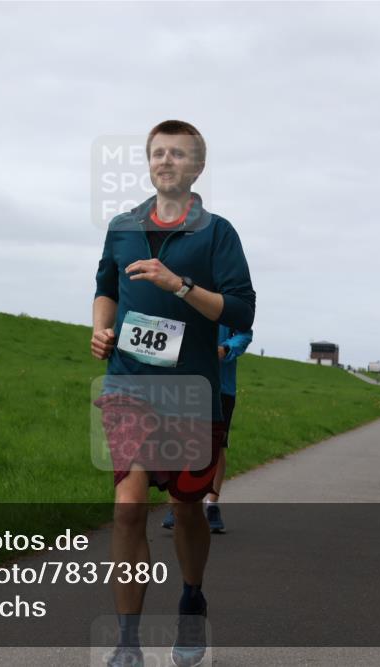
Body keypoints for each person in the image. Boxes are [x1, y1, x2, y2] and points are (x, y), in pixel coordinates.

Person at [91, 120, 255, 667]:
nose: (166, 161)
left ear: (197, 167)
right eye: (158, 153)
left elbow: (239, 310)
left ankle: (190, 595)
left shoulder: (218, 233)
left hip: (189, 391)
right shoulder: (121, 226)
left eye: (178, 154)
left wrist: (178, 285)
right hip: (128, 384)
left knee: (185, 507)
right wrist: (101, 328)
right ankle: (127, 643)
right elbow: (105, 289)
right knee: (128, 507)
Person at [162, 326, 253, 533]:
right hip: (184, 380)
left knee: (217, 446)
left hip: (221, 385)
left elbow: (244, 333)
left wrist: (226, 349)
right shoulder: (181, 294)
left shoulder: (228, 296)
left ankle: (212, 505)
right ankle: (175, 505)